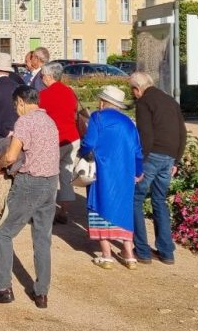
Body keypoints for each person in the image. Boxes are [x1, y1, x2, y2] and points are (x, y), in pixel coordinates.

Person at [0, 86, 60, 308]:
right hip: (50, 183)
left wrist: (0, 165)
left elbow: (11, 155)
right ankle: (41, 292)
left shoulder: (25, 122)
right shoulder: (49, 121)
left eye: (16, 105)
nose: (16, 110)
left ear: (20, 101)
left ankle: (3, 288)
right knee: (42, 238)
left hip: (30, 183)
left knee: (4, 232)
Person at [79, 85, 143, 270]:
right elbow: (138, 151)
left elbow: (89, 143)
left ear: (102, 102)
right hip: (125, 170)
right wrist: (138, 172)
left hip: (102, 169)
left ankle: (107, 255)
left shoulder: (97, 117)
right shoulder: (129, 123)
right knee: (124, 209)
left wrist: (83, 153)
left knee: (100, 206)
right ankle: (129, 254)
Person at [130, 72, 187, 265]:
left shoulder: (144, 102)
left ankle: (143, 250)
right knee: (159, 200)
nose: (133, 94)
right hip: (170, 156)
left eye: (133, 90)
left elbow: (145, 135)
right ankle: (166, 251)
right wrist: (176, 161)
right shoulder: (170, 101)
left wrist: (139, 165)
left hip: (152, 155)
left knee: (135, 199)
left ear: (138, 89)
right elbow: (182, 132)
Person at [39, 61, 80, 224]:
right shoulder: (69, 92)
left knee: (48, 177)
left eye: (42, 75)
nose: (42, 78)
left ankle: (46, 211)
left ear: (49, 76)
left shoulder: (44, 95)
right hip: (72, 138)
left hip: (55, 141)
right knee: (66, 175)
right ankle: (64, 210)